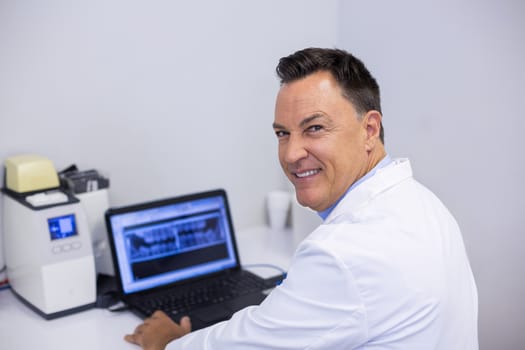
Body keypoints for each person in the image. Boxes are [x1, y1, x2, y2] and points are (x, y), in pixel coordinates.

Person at [124, 47, 479, 349]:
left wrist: (169, 342)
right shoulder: (422, 202)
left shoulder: (344, 252)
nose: (292, 153)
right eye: (283, 133)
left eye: (315, 128)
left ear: (369, 129)